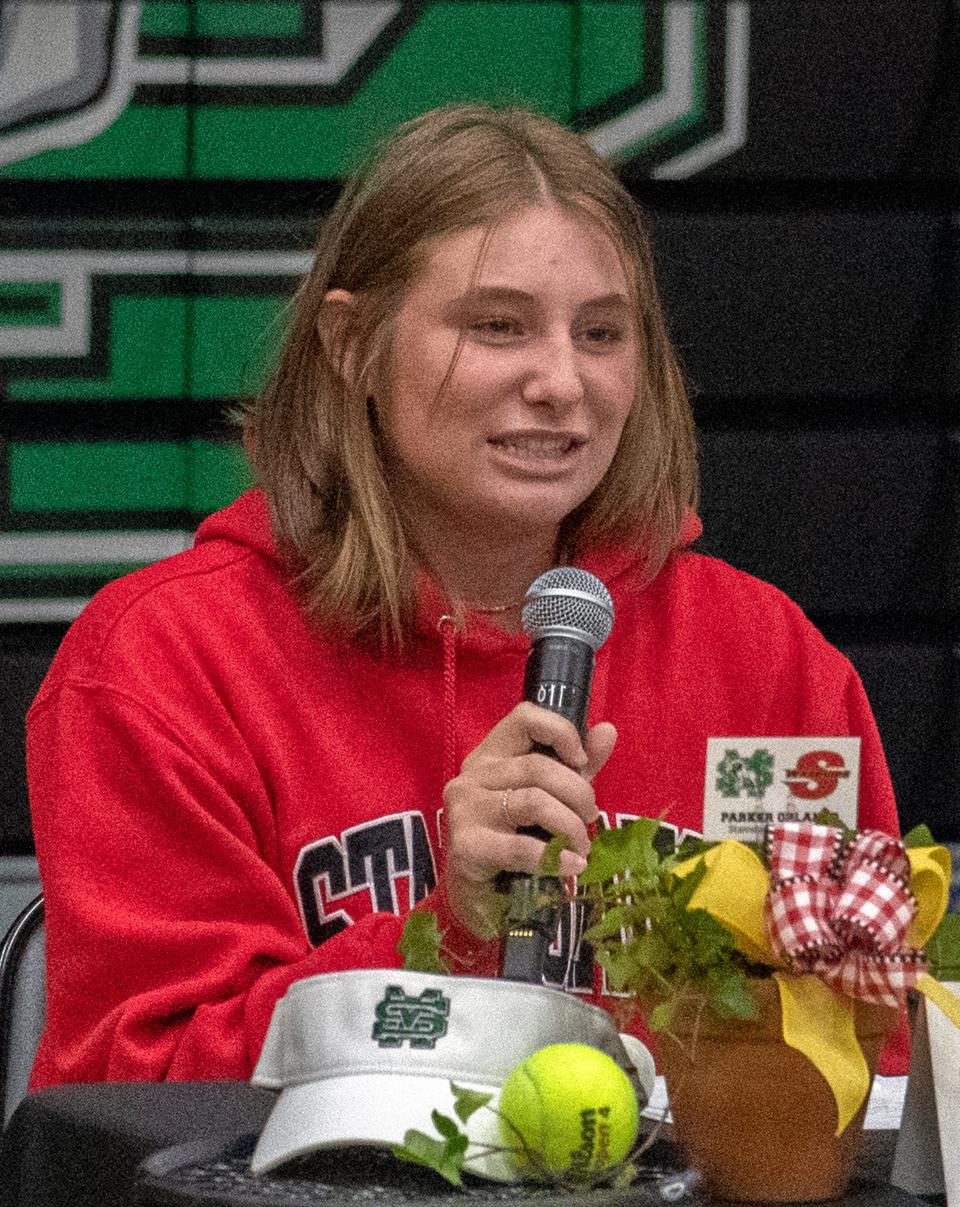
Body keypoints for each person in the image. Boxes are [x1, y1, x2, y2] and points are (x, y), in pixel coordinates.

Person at [26, 103, 902, 1087]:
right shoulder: (166, 660)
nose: (562, 382)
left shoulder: (768, 658)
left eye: (602, 333)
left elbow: (874, 1059)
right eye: (499, 326)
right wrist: (452, 927)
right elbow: (135, 1094)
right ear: (352, 343)